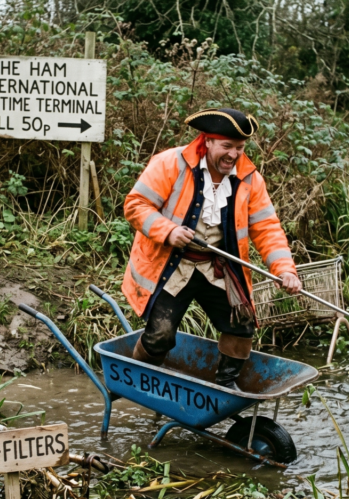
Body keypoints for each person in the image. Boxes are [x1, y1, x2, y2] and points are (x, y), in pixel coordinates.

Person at [121, 108, 301, 390]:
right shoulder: (170, 163)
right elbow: (135, 206)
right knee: (161, 336)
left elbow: (267, 228)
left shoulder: (250, 179)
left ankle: (225, 388)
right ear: (207, 141)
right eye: (227, 146)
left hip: (216, 268)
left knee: (241, 328)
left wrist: (285, 270)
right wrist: (167, 231)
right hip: (172, 265)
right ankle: (140, 383)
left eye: (240, 148)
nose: (234, 155)